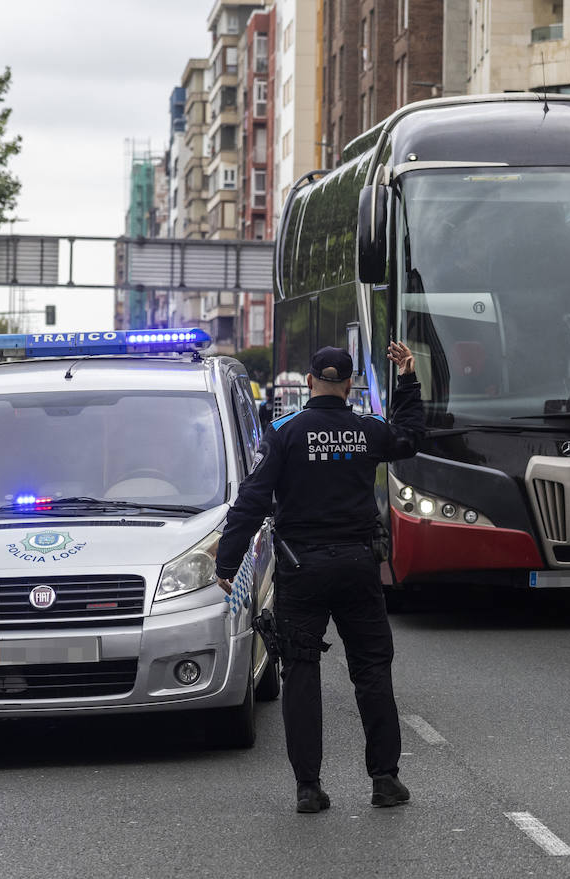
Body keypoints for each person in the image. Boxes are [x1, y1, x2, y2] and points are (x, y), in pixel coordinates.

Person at [215, 342, 425, 814]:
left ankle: (309, 788)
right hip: (357, 567)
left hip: (301, 569)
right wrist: (408, 381)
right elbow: (411, 437)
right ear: (349, 384)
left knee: (301, 671)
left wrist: (227, 563)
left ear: (310, 381)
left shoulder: (284, 431)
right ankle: (385, 781)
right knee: (371, 670)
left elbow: (252, 499)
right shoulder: (366, 430)